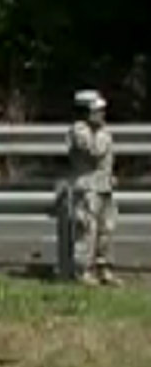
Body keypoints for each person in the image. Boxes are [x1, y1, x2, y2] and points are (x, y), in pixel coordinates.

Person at [67, 89, 119, 286]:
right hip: (88, 187)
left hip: (104, 186)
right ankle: (83, 271)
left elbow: (107, 157)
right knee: (87, 230)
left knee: (107, 229)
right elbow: (94, 151)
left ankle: (104, 267)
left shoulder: (102, 130)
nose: (102, 114)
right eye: (97, 110)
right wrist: (99, 131)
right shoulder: (79, 131)